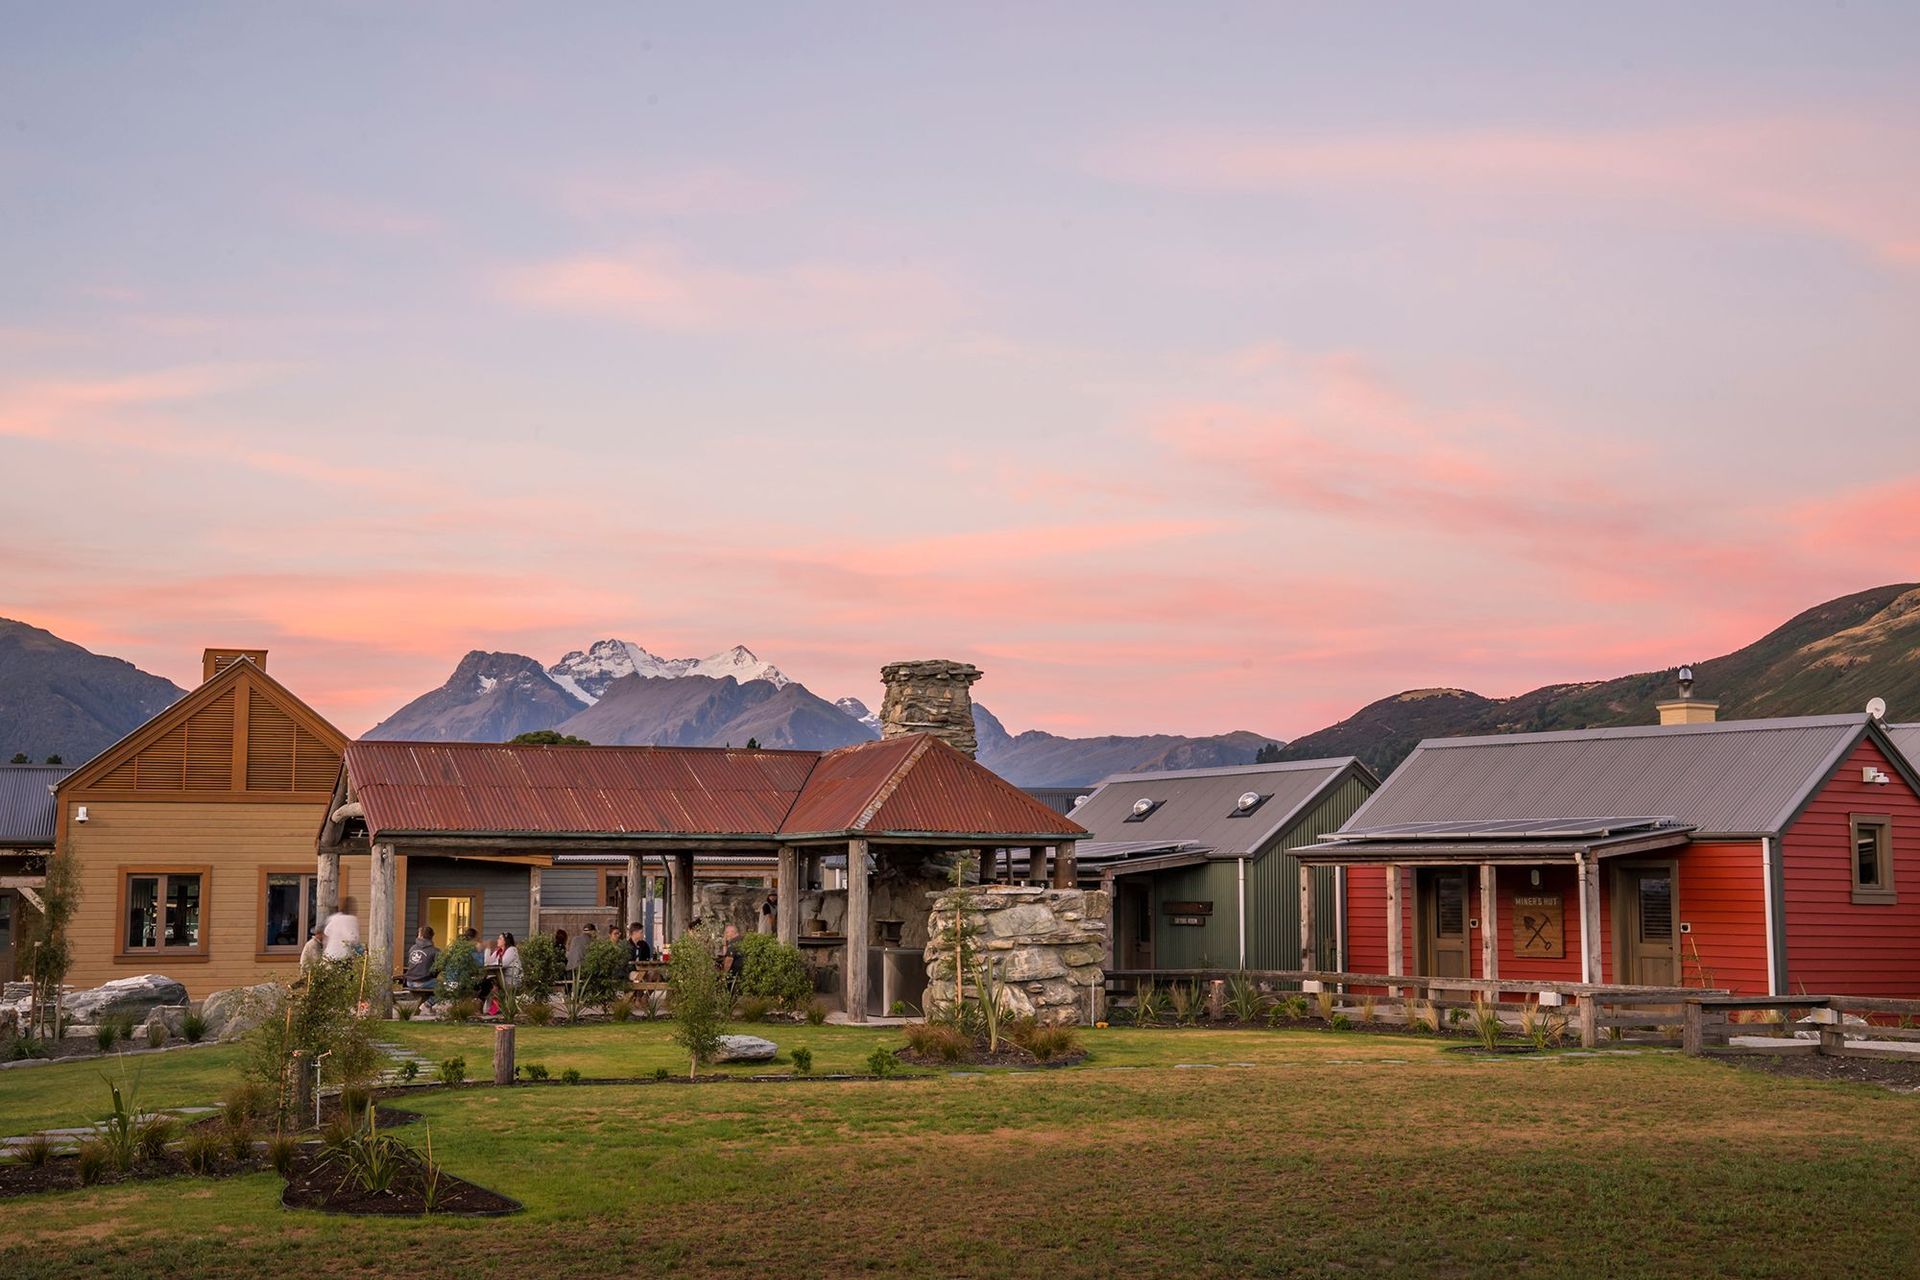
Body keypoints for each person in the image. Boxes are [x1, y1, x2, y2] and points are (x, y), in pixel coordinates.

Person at [403, 926, 439, 1006]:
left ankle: (426, 1005)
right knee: (445, 987)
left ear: (420, 936)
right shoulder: (435, 951)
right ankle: (428, 1004)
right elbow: (438, 968)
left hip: (409, 982)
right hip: (423, 982)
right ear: (431, 936)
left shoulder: (412, 948)